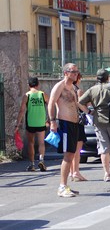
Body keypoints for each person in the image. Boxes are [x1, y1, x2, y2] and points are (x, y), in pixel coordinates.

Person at [48, 63, 80, 198]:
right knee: (68, 155)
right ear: (66, 73)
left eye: (77, 71)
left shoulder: (73, 87)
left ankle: (65, 185)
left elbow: (75, 104)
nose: (75, 74)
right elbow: (51, 103)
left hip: (74, 124)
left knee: (72, 154)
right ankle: (62, 186)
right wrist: (52, 121)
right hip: (65, 124)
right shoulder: (59, 86)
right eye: (73, 71)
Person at [15, 76, 49, 172]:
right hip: (41, 122)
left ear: (29, 85)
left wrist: (17, 124)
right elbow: (50, 105)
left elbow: (22, 110)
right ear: (38, 84)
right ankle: (41, 160)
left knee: (31, 143)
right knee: (41, 142)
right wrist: (50, 119)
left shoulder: (27, 95)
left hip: (30, 122)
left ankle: (32, 164)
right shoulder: (43, 94)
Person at [70, 72, 87, 182]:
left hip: (68, 119)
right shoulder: (78, 90)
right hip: (78, 121)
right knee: (77, 149)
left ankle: (72, 172)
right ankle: (76, 171)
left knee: (71, 149)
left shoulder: (67, 89)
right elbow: (81, 104)